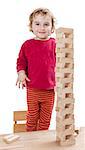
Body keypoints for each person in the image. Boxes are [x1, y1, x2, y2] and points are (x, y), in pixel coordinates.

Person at [16, 8, 56, 131]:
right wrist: (21, 73)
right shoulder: (27, 45)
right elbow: (21, 61)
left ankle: (41, 141)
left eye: (46, 24)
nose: (42, 28)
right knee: (32, 116)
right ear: (31, 26)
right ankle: (30, 139)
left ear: (52, 27)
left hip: (50, 90)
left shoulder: (55, 44)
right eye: (37, 24)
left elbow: (63, 61)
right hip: (33, 88)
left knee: (45, 119)